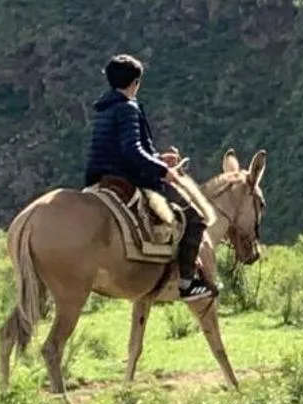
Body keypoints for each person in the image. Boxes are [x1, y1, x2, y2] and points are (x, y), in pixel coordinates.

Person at [83, 54, 213, 300]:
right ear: (135, 83)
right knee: (195, 218)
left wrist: (159, 158)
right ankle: (187, 282)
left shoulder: (104, 108)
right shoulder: (128, 107)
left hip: (100, 177)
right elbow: (132, 152)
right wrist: (165, 172)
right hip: (129, 177)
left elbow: (126, 149)